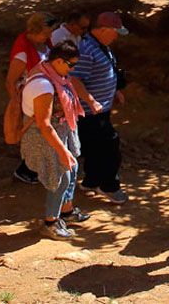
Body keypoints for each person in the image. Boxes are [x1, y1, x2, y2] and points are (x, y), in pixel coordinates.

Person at [19, 40, 90, 239]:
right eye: (71, 65)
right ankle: (50, 222)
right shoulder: (44, 85)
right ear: (59, 61)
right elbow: (44, 124)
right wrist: (62, 151)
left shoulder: (55, 74)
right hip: (45, 137)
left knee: (71, 169)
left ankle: (66, 211)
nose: (73, 69)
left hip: (62, 130)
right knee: (60, 177)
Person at [69, 12, 128, 205]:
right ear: (102, 30)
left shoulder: (100, 46)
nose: (116, 36)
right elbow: (75, 79)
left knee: (94, 147)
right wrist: (91, 100)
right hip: (91, 112)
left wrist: (115, 90)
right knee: (111, 146)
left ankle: (91, 181)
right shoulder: (87, 50)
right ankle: (109, 186)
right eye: (114, 32)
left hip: (100, 109)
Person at [7, 12, 55, 186]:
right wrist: (16, 106)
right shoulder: (22, 52)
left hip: (43, 94)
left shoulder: (43, 43)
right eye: (45, 34)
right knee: (34, 135)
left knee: (42, 135)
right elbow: (11, 82)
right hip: (30, 99)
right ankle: (26, 170)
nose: (49, 37)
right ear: (34, 31)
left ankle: (36, 168)